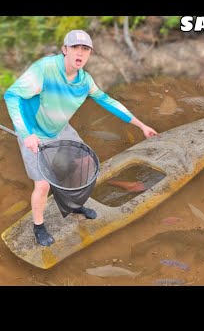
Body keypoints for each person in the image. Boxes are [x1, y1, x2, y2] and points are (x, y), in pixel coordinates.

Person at [4, 29, 158, 247]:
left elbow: (108, 101)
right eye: (75, 47)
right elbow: (12, 95)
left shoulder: (85, 81)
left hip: (60, 128)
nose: (80, 53)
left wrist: (141, 125)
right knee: (42, 185)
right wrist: (26, 134)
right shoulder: (45, 69)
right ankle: (39, 226)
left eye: (85, 49)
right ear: (64, 49)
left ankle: (74, 205)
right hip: (32, 132)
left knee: (85, 161)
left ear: (89, 54)